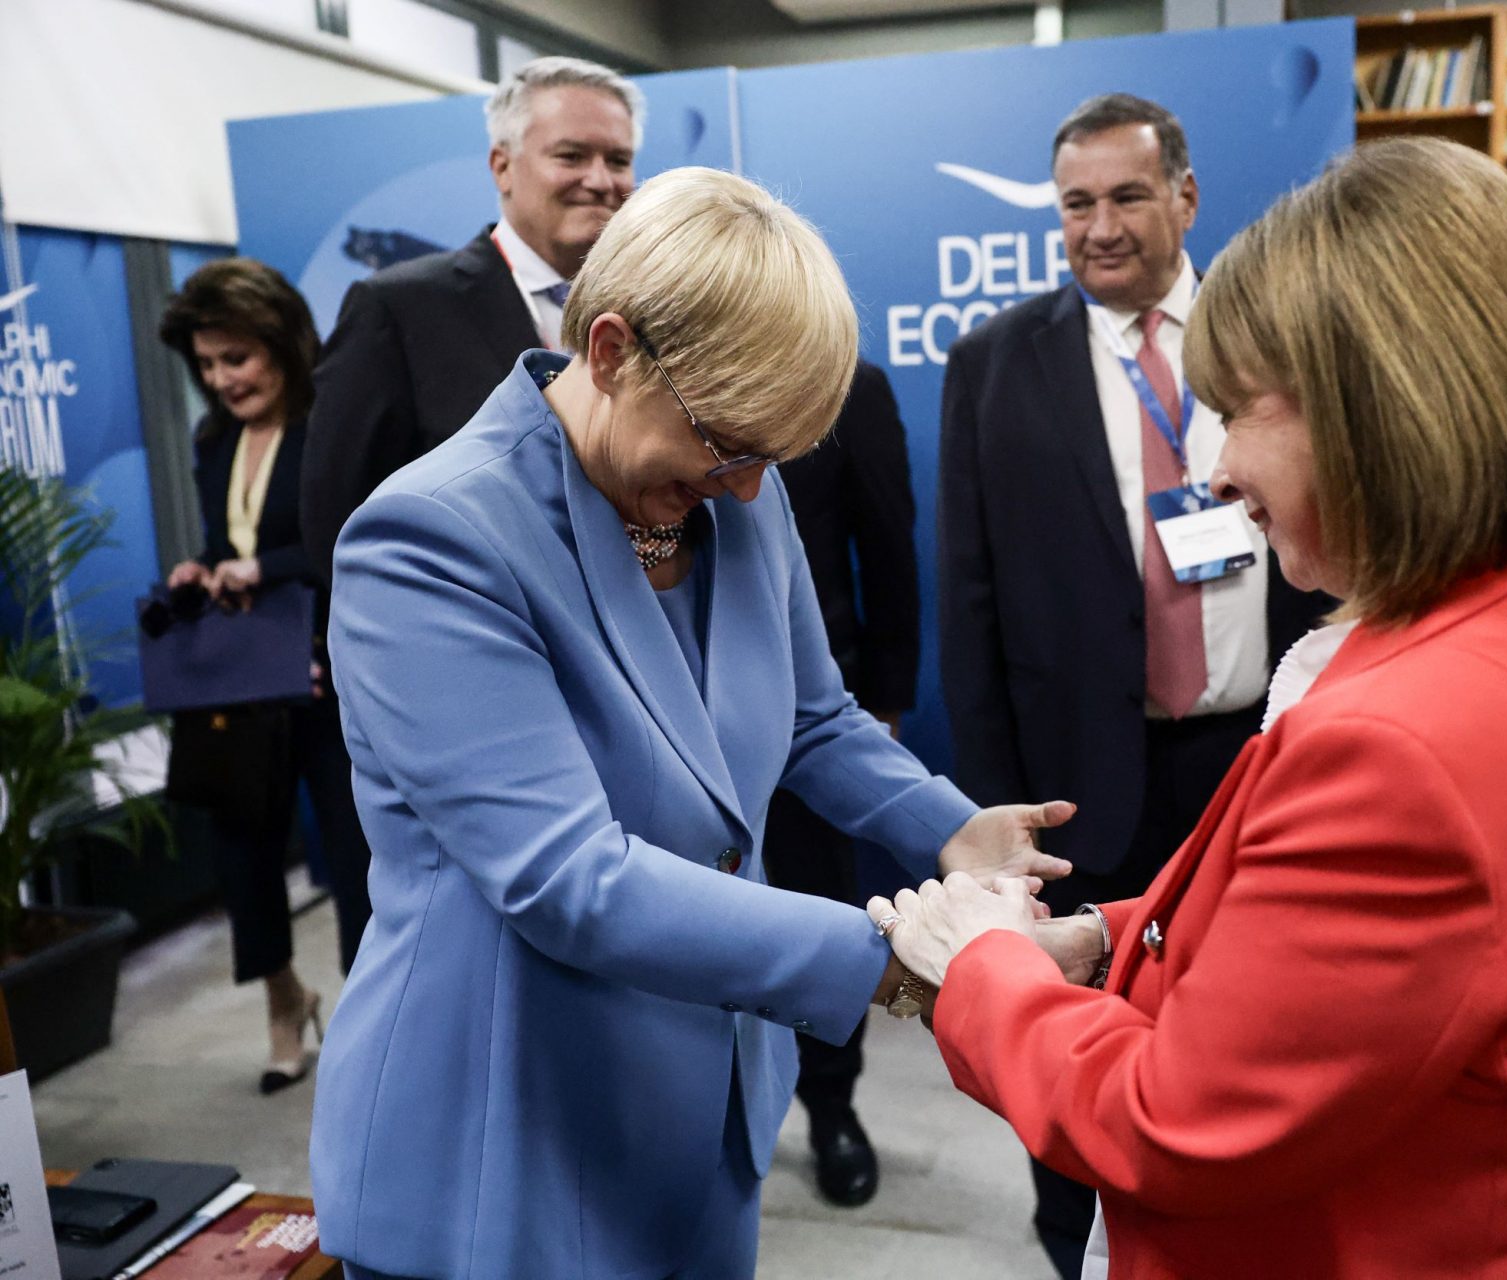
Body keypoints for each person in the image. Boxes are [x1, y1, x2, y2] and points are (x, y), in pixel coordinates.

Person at [881, 136, 1507, 1279]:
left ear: (1378, 409)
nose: (1216, 471)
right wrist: (1098, 937)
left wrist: (984, 963)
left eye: (1239, 411)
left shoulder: (1400, 749)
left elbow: (1172, 1122)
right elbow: (1333, 947)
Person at [307, 167, 1073, 1280]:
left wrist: (953, 829)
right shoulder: (434, 541)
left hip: (708, 1118)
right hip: (506, 1138)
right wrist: (907, 961)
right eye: (727, 444)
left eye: (771, 458)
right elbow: (569, 878)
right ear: (611, 349)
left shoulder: (730, 494)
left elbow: (812, 716)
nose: (749, 489)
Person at [936, 91, 1326, 1275]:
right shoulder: (993, 362)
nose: (1100, 227)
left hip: (1258, 749)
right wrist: (992, 809)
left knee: (1250, 1032)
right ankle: (1074, 1244)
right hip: (1078, 781)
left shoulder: (1275, 342)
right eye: (1076, 203)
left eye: (1128, 196)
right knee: (1072, 1020)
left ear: (1186, 198)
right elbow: (971, 598)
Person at [157, 258, 374, 1093]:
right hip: (243, 689)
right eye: (207, 365)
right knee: (244, 861)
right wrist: (202, 569)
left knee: (357, 865)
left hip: (330, 683)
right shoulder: (212, 441)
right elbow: (227, 546)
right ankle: (285, 1003)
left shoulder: (332, 428)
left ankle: (369, 1024)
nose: (222, 379)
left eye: (237, 358)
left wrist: (270, 569)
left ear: (281, 343)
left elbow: (354, 540)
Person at [299, 56, 641, 582]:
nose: (599, 181)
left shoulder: (652, 311)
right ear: (502, 166)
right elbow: (337, 522)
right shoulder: (398, 309)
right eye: (571, 156)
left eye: (618, 160)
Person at [763, 358, 919, 1207]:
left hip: (811, 702)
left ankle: (832, 1107)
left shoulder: (844, 382)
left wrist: (885, 701)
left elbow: (887, 544)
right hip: (654, 706)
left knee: (822, 900)